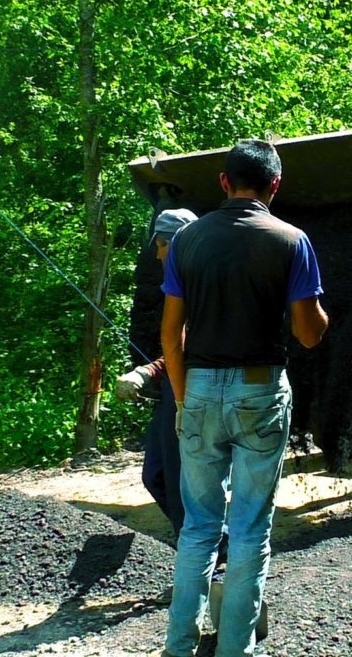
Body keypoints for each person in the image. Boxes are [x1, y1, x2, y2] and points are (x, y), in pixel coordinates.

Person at [160, 139, 328, 657]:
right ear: (275, 186)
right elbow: (308, 334)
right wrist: (319, 309)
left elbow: (171, 334)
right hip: (260, 390)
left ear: (223, 182)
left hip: (201, 388)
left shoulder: (186, 241)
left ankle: (179, 646)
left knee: (198, 527)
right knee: (251, 528)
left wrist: (186, 399)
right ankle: (236, 649)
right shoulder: (292, 240)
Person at [116, 208, 198, 537]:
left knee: (183, 483)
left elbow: (189, 344)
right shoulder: (172, 284)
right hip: (171, 394)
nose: (158, 252)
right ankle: (200, 538)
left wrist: (148, 371)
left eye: (162, 244)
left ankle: (205, 551)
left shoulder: (198, 286)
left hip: (193, 395)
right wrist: (147, 374)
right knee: (157, 476)